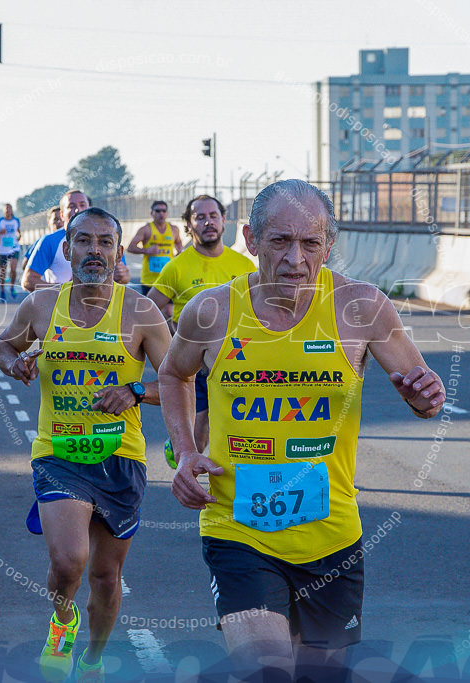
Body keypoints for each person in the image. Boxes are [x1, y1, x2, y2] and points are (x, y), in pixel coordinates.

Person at [158, 179, 446, 681]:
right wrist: (185, 451)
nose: (296, 258)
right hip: (238, 532)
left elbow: (422, 395)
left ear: (329, 245)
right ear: (250, 239)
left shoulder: (361, 307)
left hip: (332, 538)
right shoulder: (212, 310)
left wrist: (425, 399)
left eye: (311, 243)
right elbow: (172, 373)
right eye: (280, 241)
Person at [0, 207, 171, 683]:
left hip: (121, 457)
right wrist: (15, 364)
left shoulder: (141, 312)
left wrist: (135, 391)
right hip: (59, 452)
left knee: (105, 577)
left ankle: (92, 659)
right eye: (84, 241)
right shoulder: (42, 306)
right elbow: (5, 345)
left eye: (104, 242)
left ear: (117, 253)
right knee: (68, 560)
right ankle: (62, 620)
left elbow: (177, 379)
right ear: (66, 248)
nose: (94, 250)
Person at [147, 195, 255, 452]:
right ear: (189, 224)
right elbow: (148, 310)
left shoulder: (243, 265)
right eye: (200, 217)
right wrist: (172, 335)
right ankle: (187, 467)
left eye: (214, 216)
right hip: (194, 365)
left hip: (236, 361)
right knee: (198, 436)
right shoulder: (177, 267)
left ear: (224, 220)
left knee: (237, 434)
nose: (208, 222)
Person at [22, 190, 131, 291]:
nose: (78, 209)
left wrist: (124, 276)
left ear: (89, 208)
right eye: (71, 206)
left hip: (102, 307)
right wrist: (67, 291)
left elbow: (123, 277)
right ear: (62, 214)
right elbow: (28, 281)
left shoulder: (107, 238)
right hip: (61, 309)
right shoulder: (49, 241)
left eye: (82, 205)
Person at [126, 200, 183, 295]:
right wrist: (146, 250)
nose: (161, 213)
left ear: (167, 213)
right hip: (149, 280)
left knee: (168, 310)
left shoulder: (174, 229)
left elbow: (178, 243)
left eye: (164, 211)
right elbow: (130, 247)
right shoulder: (146, 229)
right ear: (151, 213)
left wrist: (179, 253)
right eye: (157, 211)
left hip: (167, 278)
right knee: (149, 308)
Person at [0, 203, 22, 300]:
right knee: (3, 272)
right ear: (3, 211)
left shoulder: (16, 220)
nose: (8, 211)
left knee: (13, 269)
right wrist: (0, 232)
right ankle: (3, 290)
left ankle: (12, 287)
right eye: (6, 209)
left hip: (14, 248)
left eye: (9, 209)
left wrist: (19, 236)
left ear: (12, 210)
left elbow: (18, 232)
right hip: (2, 251)